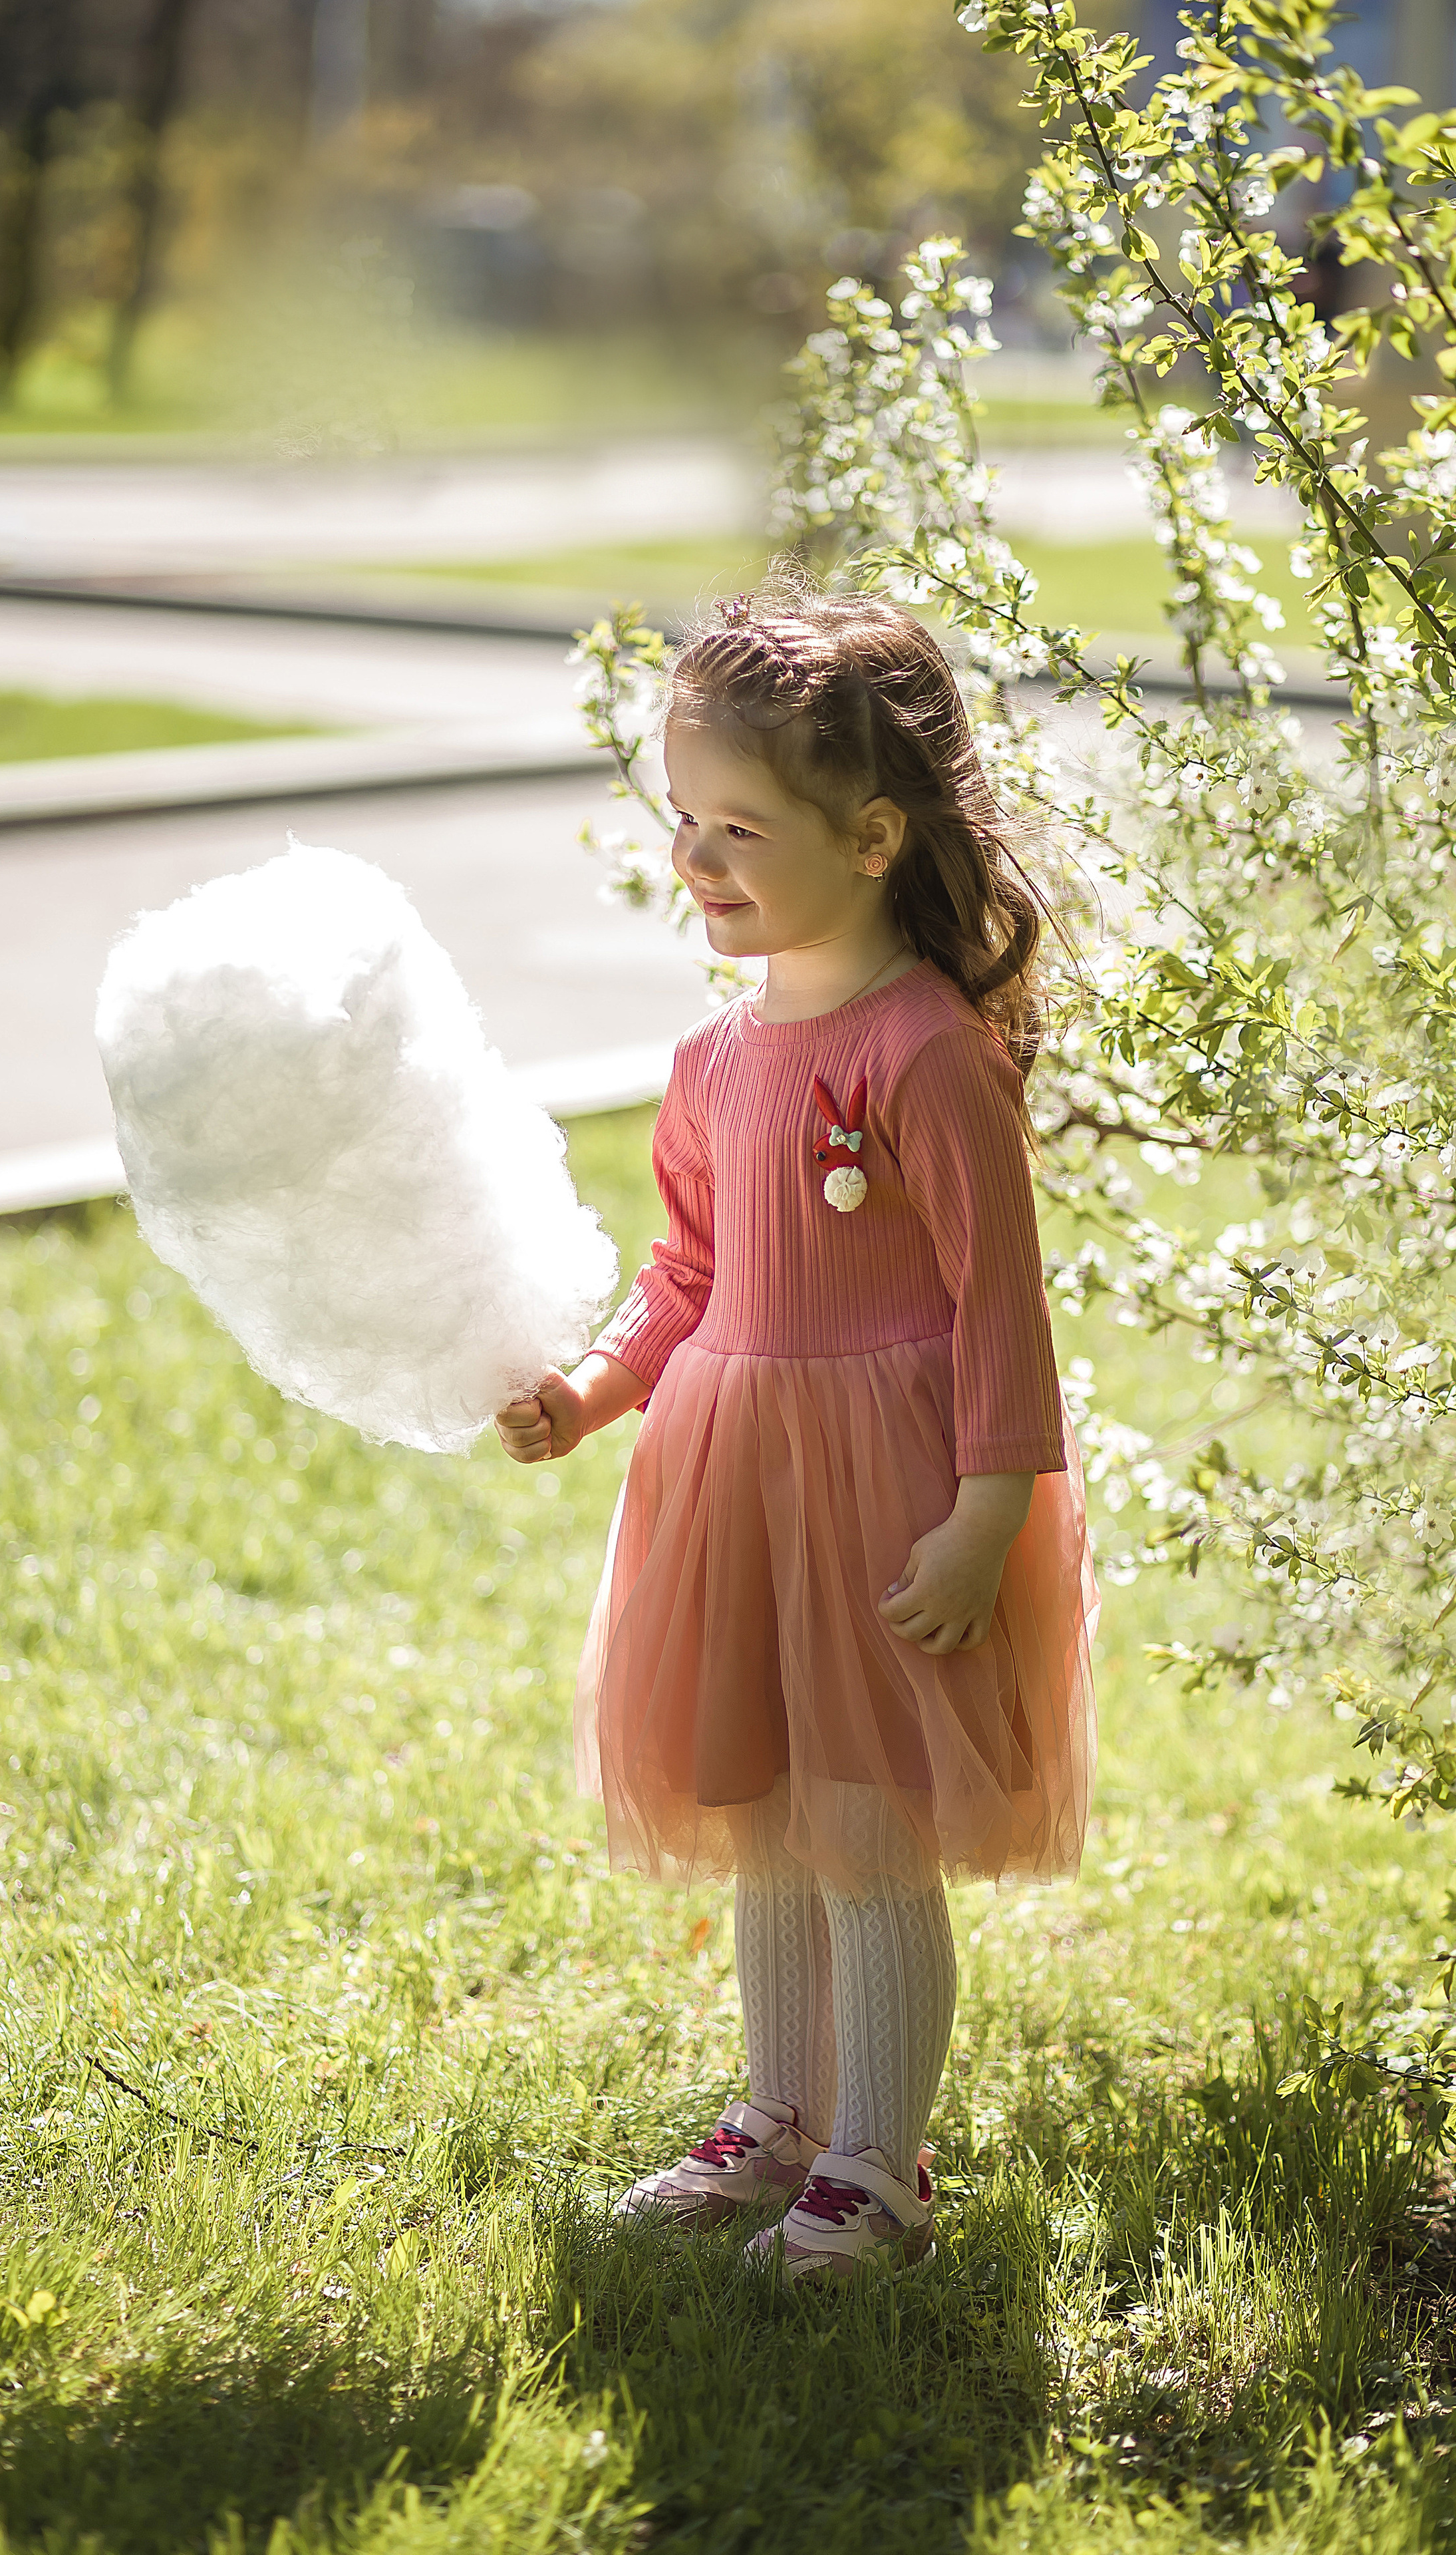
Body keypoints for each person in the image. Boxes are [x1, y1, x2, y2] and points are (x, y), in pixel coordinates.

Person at [495, 584, 1097, 2282]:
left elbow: (1000, 1302)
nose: (697, 858)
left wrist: (988, 1515)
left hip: (890, 1483)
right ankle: (779, 2116)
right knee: (761, 1804)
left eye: (739, 828)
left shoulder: (924, 1050)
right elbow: (689, 1265)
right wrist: (592, 1387)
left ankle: (877, 2167)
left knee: (863, 1822)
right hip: (735, 1474)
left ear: (873, 833)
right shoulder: (712, 1056)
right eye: (682, 820)